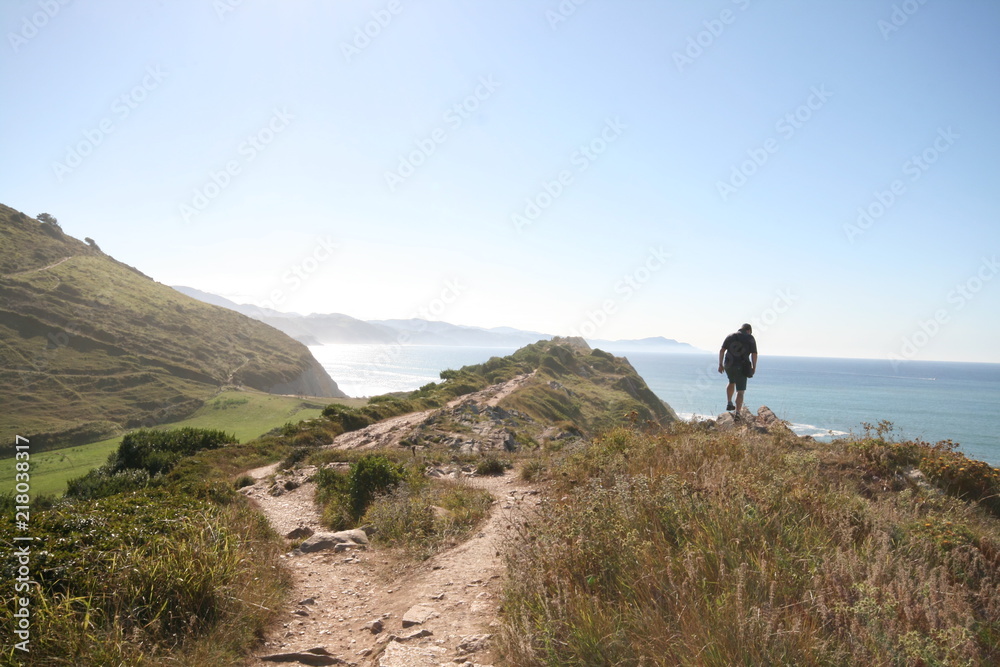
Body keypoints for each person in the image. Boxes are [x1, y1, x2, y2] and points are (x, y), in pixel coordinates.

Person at [718, 323, 758, 413]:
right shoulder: (750, 338)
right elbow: (754, 354)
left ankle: (729, 403)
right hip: (741, 366)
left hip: (728, 365)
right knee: (740, 391)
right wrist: (754, 367)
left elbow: (722, 350)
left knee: (731, 381)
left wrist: (720, 364)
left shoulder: (730, 336)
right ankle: (738, 413)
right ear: (748, 330)